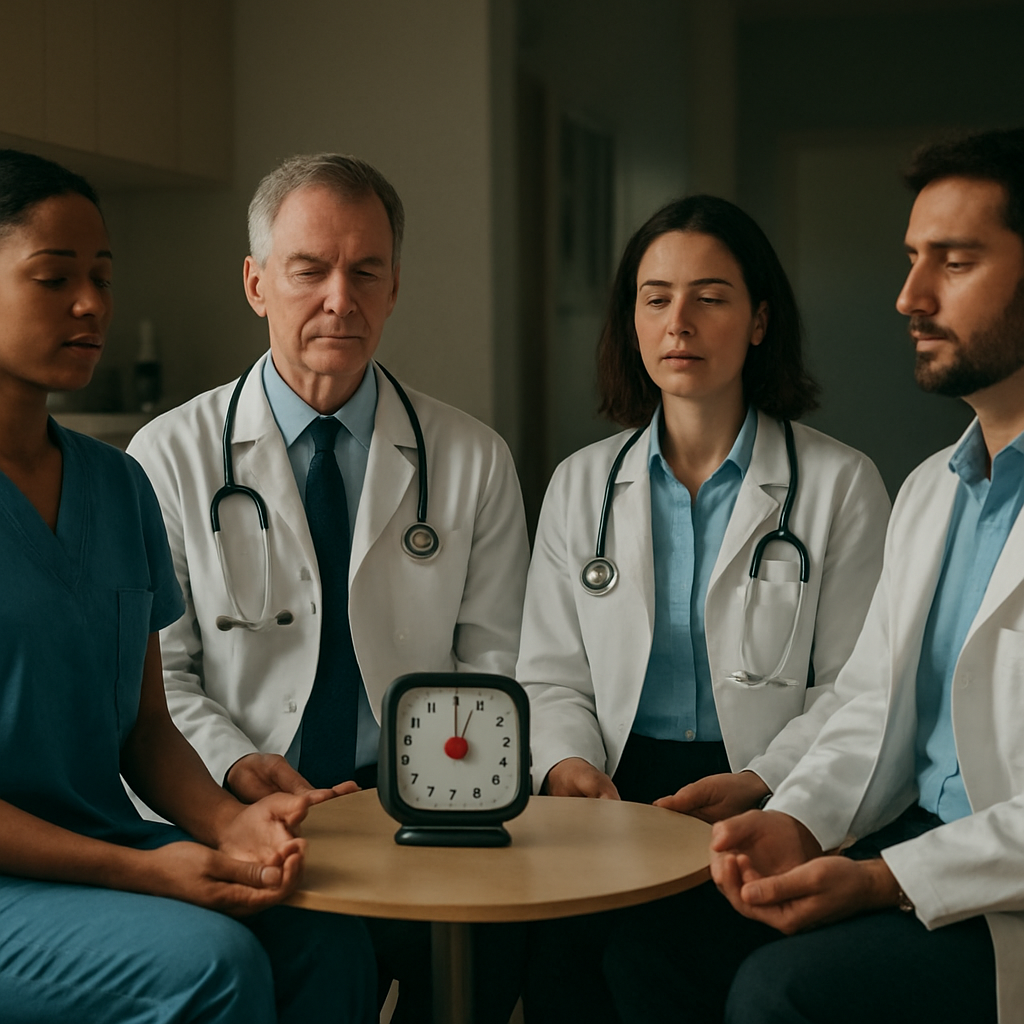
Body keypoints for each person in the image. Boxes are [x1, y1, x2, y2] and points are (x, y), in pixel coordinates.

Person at [127, 152, 529, 1022]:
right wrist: (239, 768)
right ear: (256, 282)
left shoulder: (471, 459)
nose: (340, 299)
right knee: (326, 955)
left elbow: (493, 662)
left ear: (393, 289)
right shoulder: (167, 456)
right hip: (228, 804)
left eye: (366, 271)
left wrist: (432, 798)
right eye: (309, 270)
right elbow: (164, 680)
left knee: (494, 943)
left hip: (416, 811)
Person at [0, 148, 376, 1023]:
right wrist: (145, 868)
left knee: (329, 936)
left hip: (106, 845)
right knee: (210, 965)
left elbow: (145, 729)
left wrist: (227, 823)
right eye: (54, 279)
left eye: (101, 275)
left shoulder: (115, 484)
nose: (92, 303)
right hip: (25, 881)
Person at [516, 194, 891, 1022]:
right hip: (613, 791)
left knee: (656, 969)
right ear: (633, 321)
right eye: (656, 298)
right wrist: (569, 766)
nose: (678, 321)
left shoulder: (839, 486)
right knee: (560, 976)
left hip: (766, 788)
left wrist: (763, 779)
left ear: (759, 320)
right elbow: (549, 673)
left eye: (709, 297)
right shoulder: (583, 485)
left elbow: (857, 687)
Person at [696, 127, 1024, 1024]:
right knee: (665, 943)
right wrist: (795, 819)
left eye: (953, 263)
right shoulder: (933, 491)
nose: (908, 297)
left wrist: (885, 881)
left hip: (1002, 894)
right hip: (911, 842)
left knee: (780, 995)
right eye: (912, 259)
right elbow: (870, 706)